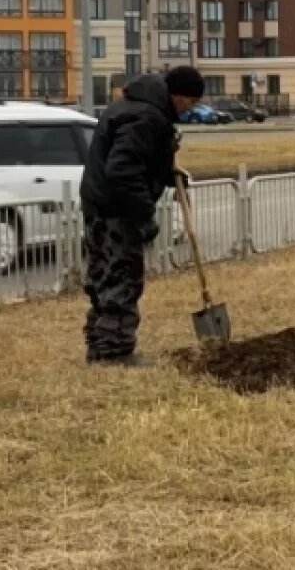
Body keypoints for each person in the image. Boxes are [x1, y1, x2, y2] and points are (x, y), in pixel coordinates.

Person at [80, 66, 204, 366]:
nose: (191, 109)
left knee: (102, 277)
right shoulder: (147, 117)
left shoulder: (133, 107)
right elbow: (122, 169)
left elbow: (135, 160)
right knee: (122, 278)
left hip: (99, 203)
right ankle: (115, 352)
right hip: (118, 209)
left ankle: (100, 346)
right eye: (190, 102)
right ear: (178, 96)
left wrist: (164, 170)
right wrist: (143, 215)